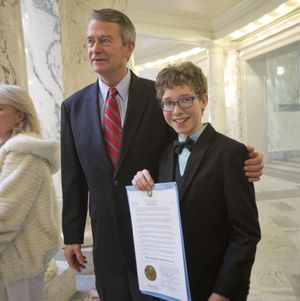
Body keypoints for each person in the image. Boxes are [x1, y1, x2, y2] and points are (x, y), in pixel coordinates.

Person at [61, 8, 263, 301]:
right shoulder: (72, 107)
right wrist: (72, 235)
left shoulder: (158, 97)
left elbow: (192, 147)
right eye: (90, 41)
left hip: (158, 243)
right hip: (108, 243)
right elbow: (73, 176)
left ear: (129, 47)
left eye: (105, 40)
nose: (95, 48)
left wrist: (246, 157)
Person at [132, 61, 261, 301]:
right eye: (169, 103)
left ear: (204, 100)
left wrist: (223, 292)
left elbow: (246, 234)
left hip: (216, 286)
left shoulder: (231, 152)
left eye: (186, 99)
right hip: (175, 286)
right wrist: (141, 185)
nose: (177, 110)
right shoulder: (163, 155)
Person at [0, 84, 61, 301]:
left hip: (15, 264)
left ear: (19, 116)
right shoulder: (7, 151)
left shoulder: (24, 155)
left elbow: (5, 215)